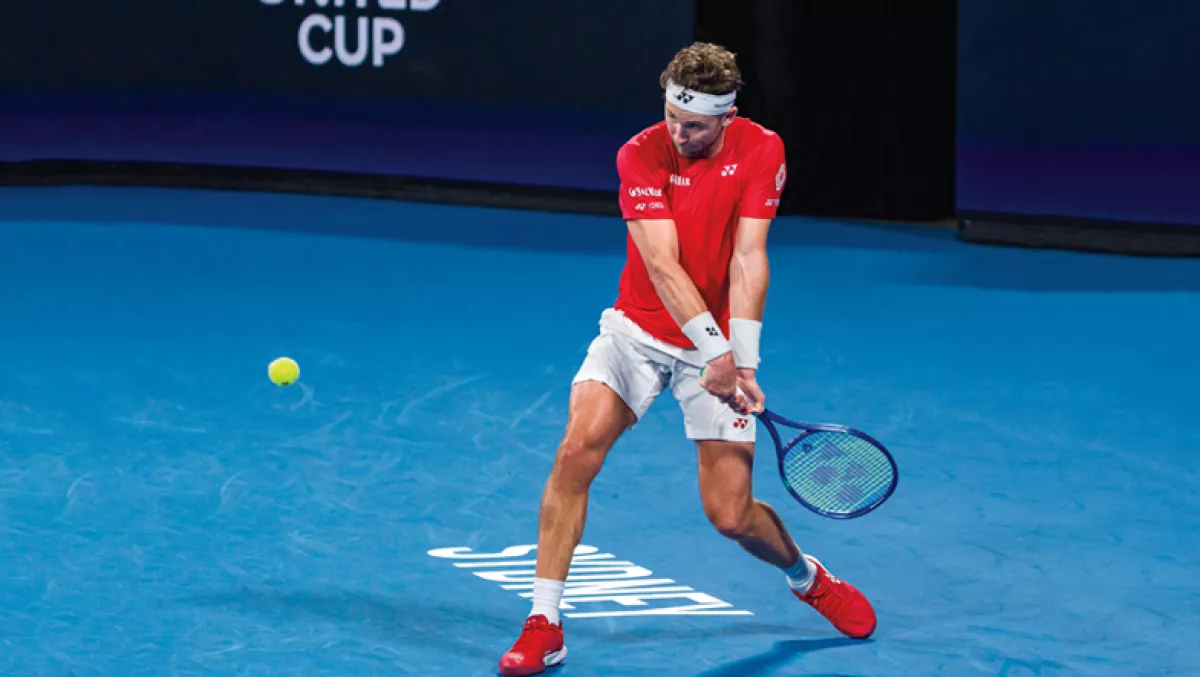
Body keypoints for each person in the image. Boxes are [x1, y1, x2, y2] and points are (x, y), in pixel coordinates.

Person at [498, 42, 877, 676]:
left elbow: (749, 257)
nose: (678, 131)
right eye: (671, 114)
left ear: (728, 116)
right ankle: (545, 623)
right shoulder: (640, 153)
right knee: (575, 451)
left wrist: (743, 361)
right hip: (636, 334)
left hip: (719, 346)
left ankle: (806, 576)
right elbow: (661, 265)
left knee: (731, 516)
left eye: (694, 123)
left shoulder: (763, 149)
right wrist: (718, 350)